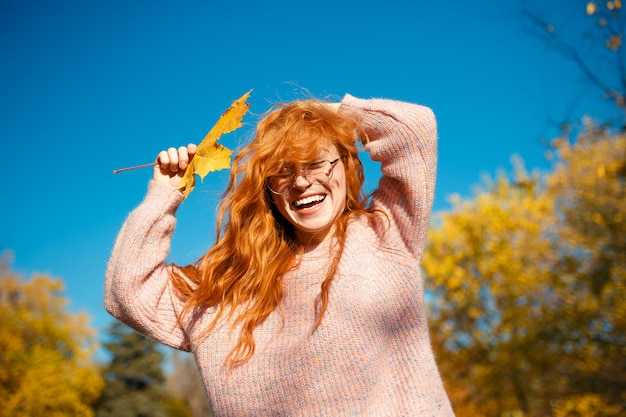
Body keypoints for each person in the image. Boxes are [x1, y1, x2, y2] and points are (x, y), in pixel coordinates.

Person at [105, 93, 455, 416]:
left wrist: (317, 115)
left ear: (346, 167)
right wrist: (163, 194)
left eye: (317, 163)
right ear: (268, 190)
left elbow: (414, 131)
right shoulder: (226, 287)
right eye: (284, 171)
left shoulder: (385, 235)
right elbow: (127, 290)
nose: (301, 182)